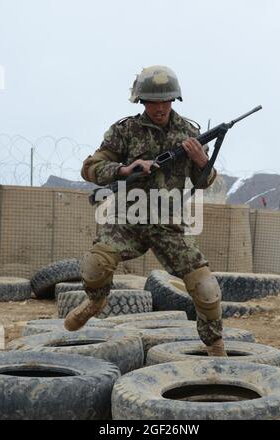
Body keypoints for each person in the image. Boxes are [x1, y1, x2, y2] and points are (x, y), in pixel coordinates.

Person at [64, 65, 227, 356]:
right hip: (128, 219)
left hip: (168, 223)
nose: (160, 107)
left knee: (206, 288)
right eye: (154, 101)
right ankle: (95, 302)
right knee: (94, 265)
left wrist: (203, 162)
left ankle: (215, 345)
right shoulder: (124, 131)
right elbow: (90, 168)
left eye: (166, 101)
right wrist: (125, 169)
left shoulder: (188, 133)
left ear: (174, 100)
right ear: (142, 101)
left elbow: (205, 183)